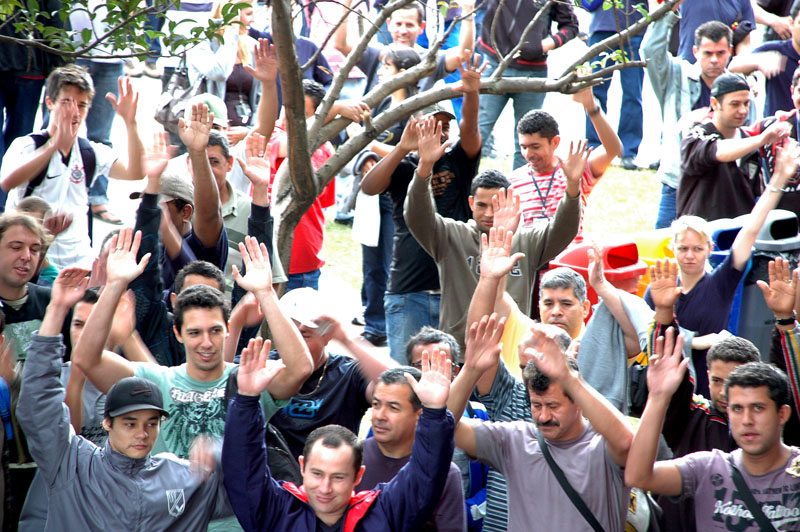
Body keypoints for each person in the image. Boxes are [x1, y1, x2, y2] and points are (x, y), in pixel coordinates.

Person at [16, 268, 234, 530]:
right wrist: (56, 310)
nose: (142, 433)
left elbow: (246, 493)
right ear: (107, 423)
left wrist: (217, 456)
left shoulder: (181, 475)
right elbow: (37, 403)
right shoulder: (74, 463)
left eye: (151, 423)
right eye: (130, 423)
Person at [222, 340, 457, 531]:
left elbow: (425, 477)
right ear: (302, 467)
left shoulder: (383, 515)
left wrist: (434, 413)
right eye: (317, 474)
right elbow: (243, 472)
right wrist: (246, 400)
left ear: (358, 476)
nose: (325, 488)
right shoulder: (278, 511)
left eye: (338, 477)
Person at [404, 116, 582, 351]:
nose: (488, 213)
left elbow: (563, 230)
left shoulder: (526, 240)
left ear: (511, 202)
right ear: (470, 203)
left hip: (513, 354)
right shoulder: (450, 236)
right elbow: (417, 216)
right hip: (462, 353)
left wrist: (572, 188)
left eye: (496, 204)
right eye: (481, 205)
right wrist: (424, 167)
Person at [646, 137, 799, 398]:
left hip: (713, 388)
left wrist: (778, 180)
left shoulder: (721, 281)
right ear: (673, 249)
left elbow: (751, 229)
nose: (690, 256)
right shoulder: (659, 290)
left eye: (697, 249)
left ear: (709, 248)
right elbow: (648, 341)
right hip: (670, 388)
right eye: (683, 249)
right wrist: (696, 341)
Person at [448, 323, 633, 531]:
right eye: (537, 405)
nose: (544, 416)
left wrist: (568, 378)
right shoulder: (513, 440)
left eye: (553, 406)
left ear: (578, 401)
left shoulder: (601, 446)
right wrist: (471, 371)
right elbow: (446, 427)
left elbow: (627, 444)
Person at [360, 54, 484, 361]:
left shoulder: (458, 161)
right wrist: (403, 147)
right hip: (407, 290)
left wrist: (471, 91)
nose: (441, 133)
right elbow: (369, 186)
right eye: (433, 126)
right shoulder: (404, 167)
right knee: (405, 380)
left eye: (445, 127)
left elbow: (470, 130)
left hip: (453, 290)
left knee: (453, 379)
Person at [625, 329, 800, 532]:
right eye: (737, 408)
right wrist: (658, 396)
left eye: (758, 408)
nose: (747, 420)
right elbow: (638, 477)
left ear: (782, 414)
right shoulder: (707, 467)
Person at [0, 66, 145, 269]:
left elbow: (135, 172)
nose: (75, 112)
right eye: (67, 102)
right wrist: (54, 145)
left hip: (79, 263)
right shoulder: (27, 146)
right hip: (32, 264)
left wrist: (131, 123)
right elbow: (7, 181)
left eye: (82, 105)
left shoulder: (90, 151)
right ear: (50, 103)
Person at [264, 287, 397, 459]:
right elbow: (221, 381)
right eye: (289, 334)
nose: (296, 344)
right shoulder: (264, 365)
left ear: (326, 337)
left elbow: (397, 385)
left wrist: (346, 339)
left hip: (332, 476)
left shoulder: (347, 374)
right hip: (274, 475)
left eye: (304, 335)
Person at [642, 4, 736, 228]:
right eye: (708, 53)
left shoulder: (738, 86)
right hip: (677, 182)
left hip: (721, 183)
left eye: (720, 53)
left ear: (730, 51)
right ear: (695, 52)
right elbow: (649, 52)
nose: (714, 60)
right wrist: (667, 14)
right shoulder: (677, 75)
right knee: (663, 250)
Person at [356, 367, 466, 531]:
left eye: (393, 408)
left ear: (419, 416)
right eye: (376, 405)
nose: (379, 415)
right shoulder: (350, 458)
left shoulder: (445, 474)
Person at [475, 0, 578, 169]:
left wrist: (542, 46)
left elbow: (571, 26)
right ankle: (460, 188)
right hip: (495, 63)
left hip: (533, 71)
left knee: (527, 141)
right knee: (478, 132)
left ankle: (521, 191)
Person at [678, 72, 792, 221]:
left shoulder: (749, 143)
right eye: (735, 104)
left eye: (746, 103)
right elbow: (718, 151)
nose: (743, 110)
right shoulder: (697, 136)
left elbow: (756, 195)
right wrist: (761, 139)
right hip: (701, 236)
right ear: (714, 104)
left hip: (739, 236)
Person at [508, 87, 621, 231]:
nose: (529, 154)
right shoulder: (512, 181)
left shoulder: (575, 170)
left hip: (573, 252)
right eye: (524, 147)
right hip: (533, 253)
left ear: (555, 142)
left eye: (535, 147)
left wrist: (591, 107)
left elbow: (613, 150)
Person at [581, 0, 644, 170]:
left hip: (635, 28)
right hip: (602, 28)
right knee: (595, 93)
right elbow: (584, 3)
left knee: (633, 93)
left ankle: (629, 151)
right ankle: (594, 147)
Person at [729, 5, 800, 117]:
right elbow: (733, 65)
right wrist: (759, 61)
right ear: (791, 23)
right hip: (777, 126)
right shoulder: (776, 50)